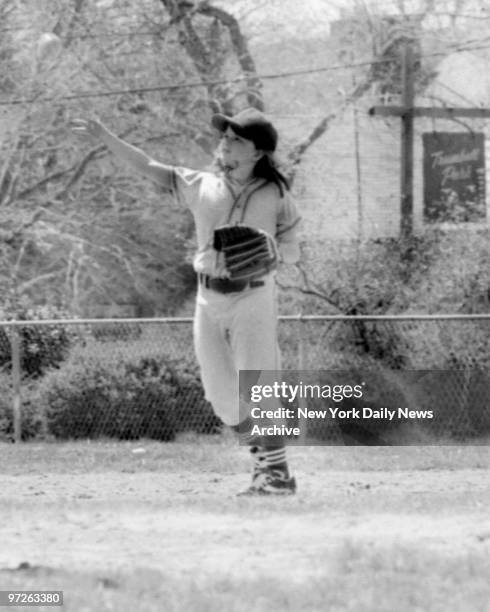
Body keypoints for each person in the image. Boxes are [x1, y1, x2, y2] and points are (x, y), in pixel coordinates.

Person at [71, 107, 301, 495]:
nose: (225, 142)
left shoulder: (275, 193)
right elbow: (147, 165)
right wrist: (106, 137)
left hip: (254, 296)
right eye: (225, 136)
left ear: (258, 152)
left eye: (236, 138)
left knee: (257, 387)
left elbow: (294, 249)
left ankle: (275, 474)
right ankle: (269, 468)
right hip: (208, 298)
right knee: (221, 395)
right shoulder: (201, 185)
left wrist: (276, 252)